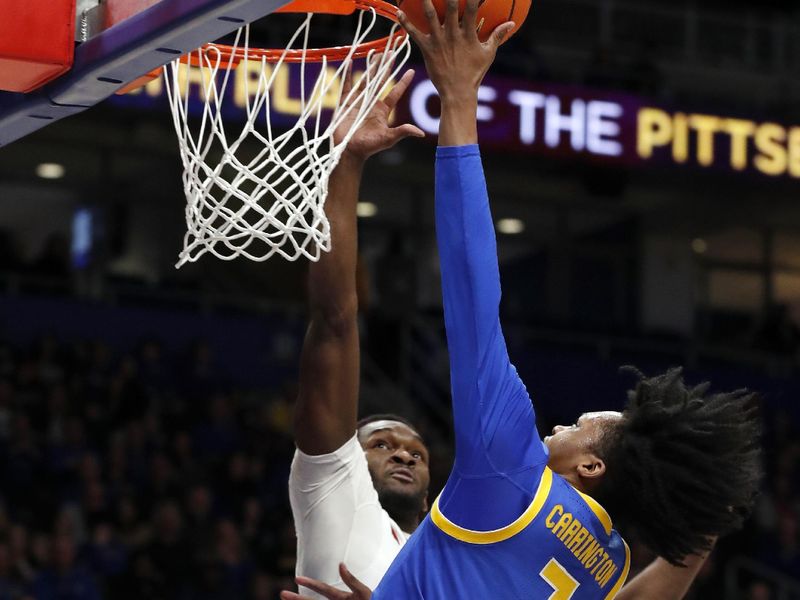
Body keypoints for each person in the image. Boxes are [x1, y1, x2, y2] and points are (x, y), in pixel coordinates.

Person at [284, 0, 763, 597]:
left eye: (579, 425)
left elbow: (473, 292)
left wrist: (458, 98)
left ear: (591, 467)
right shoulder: (605, 562)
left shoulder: (514, 471)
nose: (558, 423)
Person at [288, 63, 430, 598]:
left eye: (416, 453)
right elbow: (334, 320)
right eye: (382, 445)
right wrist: (345, 161)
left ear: (427, 497)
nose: (403, 455)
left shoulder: (446, 566)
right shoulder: (330, 480)